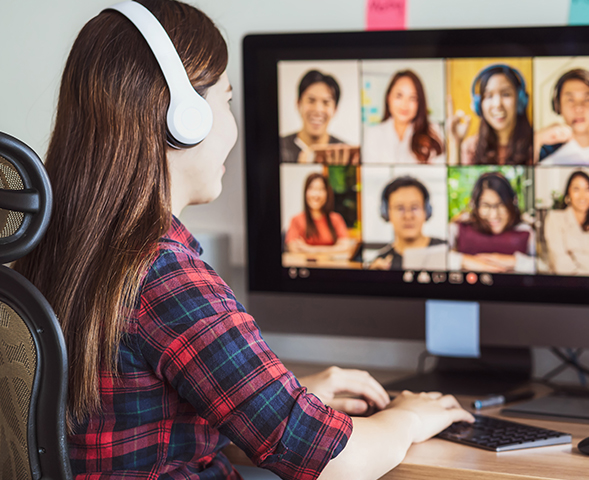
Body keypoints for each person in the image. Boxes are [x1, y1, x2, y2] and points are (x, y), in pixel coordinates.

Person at [13, 1, 473, 479]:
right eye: (227, 101)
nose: (232, 124)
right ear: (183, 119)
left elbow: (152, 407)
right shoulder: (164, 274)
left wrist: (291, 393)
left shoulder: (55, 244)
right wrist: (409, 417)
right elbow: (338, 462)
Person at [449, 172, 536, 273]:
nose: (494, 215)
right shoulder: (460, 226)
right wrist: (464, 260)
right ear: (475, 205)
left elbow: (546, 266)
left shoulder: (526, 230)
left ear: (513, 203)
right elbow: (434, 255)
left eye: (501, 204)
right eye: (485, 205)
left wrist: (515, 261)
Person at [448, 64, 533, 165]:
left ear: (520, 100)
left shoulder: (536, 144)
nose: (497, 104)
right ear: (479, 105)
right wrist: (456, 143)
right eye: (488, 96)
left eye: (506, 94)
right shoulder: (470, 148)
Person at [544, 171, 589, 275]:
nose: (582, 195)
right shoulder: (555, 219)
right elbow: (561, 266)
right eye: (576, 189)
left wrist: (575, 255)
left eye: (587, 189)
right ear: (568, 195)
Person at [362, 70, 445, 164]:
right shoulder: (373, 134)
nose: (404, 105)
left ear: (419, 102)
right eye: (399, 96)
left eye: (412, 98)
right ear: (388, 97)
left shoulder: (433, 131)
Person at [280, 69, 356, 165]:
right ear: (298, 104)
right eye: (311, 100)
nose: (318, 110)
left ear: (335, 109)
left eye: (326, 102)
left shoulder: (346, 152)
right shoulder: (279, 147)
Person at [370, 176, 446, 270]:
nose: (408, 216)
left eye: (414, 207)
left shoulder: (446, 250)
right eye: (400, 208)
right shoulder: (380, 262)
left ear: (426, 210)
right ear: (386, 212)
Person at [285, 172, 353, 255]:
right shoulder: (296, 220)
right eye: (312, 189)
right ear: (305, 192)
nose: (316, 195)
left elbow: (345, 247)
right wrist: (333, 249)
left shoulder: (336, 219)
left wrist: (311, 249)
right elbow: (294, 249)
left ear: (327, 193)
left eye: (321, 189)